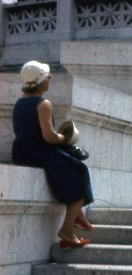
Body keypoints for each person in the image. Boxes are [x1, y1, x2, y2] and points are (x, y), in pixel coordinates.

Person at [11, 60, 94, 248]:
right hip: (39, 151)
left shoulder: (19, 103)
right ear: (41, 81)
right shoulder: (43, 104)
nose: (50, 78)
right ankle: (67, 230)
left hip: (23, 151)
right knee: (80, 171)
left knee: (71, 168)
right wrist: (65, 138)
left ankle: (77, 215)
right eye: (48, 76)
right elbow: (48, 137)